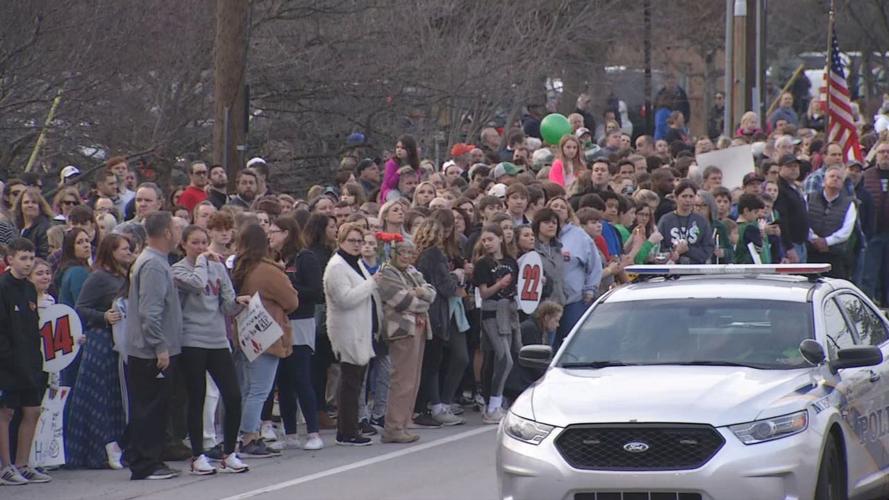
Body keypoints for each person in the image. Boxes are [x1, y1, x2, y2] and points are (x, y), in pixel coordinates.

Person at [172, 225, 250, 474]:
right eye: (195, 243)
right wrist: (203, 263)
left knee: (233, 395)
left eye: (204, 243)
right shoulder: (178, 270)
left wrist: (239, 303)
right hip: (192, 339)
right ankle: (198, 455)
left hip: (217, 339)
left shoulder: (218, 268)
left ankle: (229, 452)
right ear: (184, 244)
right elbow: (197, 285)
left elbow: (226, 304)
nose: (201, 248)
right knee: (197, 396)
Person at [124, 211, 183, 480]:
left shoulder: (156, 261)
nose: (180, 232)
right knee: (150, 408)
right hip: (149, 352)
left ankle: (147, 458)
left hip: (149, 348)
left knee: (152, 406)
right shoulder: (154, 265)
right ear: (167, 233)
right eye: (177, 228)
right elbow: (150, 312)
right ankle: (146, 463)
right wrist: (160, 346)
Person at [65, 234, 133, 469]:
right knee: (99, 397)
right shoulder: (99, 277)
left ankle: (116, 444)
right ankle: (98, 448)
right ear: (111, 251)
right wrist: (103, 317)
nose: (128, 252)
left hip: (120, 342)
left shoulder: (124, 275)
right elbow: (81, 308)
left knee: (116, 396)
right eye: (123, 249)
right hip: (101, 342)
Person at [231, 223, 298, 458]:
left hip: (245, 332)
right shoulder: (267, 270)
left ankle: (249, 434)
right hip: (265, 332)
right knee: (260, 389)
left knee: (248, 388)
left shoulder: (240, 267)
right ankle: (249, 437)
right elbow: (291, 301)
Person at [268, 216, 325, 451]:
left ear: (287, 233)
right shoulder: (274, 259)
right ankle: (289, 432)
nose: (270, 236)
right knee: (283, 381)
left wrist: (287, 287)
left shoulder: (305, 258)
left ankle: (313, 432)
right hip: (279, 324)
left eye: (274, 231)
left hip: (300, 323)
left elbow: (314, 291)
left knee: (301, 377)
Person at [324, 223, 382, 446]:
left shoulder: (356, 262)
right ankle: (347, 431)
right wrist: (371, 284)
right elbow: (344, 299)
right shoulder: (337, 266)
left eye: (360, 241)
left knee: (356, 381)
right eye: (352, 241)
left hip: (361, 326)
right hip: (346, 328)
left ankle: (350, 427)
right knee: (350, 382)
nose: (357, 245)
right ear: (341, 241)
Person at [0, 238, 51, 485]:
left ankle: (23, 463)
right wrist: (9, 359)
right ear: (10, 260)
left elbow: (32, 328)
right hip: (8, 363)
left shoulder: (30, 289)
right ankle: (5, 465)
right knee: (6, 412)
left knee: (33, 410)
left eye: (31, 258)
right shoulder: (2, 287)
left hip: (30, 361)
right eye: (23, 258)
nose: (28, 263)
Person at [377, 241, 436, 443]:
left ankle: (403, 422)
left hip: (418, 327)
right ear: (393, 253)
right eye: (402, 252)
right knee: (402, 380)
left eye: (411, 253)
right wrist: (420, 297)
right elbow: (401, 302)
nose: (407, 256)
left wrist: (420, 294)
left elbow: (431, 293)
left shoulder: (412, 271)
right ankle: (393, 427)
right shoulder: (387, 272)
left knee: (413, 379)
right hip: (401, 331)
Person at [413, 219, 466, 427]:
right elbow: (446, 285)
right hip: (435, 313)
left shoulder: (420, 254)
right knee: (431, 362)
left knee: (429, 361)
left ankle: (425, 407)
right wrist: (457, 276)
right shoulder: (435, 254)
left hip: (428, 310)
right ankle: (423, 408)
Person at [473, 223, 520, 424]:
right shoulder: (483, 264)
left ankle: (496, 402)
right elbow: (483, 293)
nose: (487, 243)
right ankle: (492, 404)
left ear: (501, 238)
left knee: (511, 353)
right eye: (484, 240)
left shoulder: (511, 261)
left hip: (508, 311)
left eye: (491, 239)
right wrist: (499, 284)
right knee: (504, 357)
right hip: (492, 312)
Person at [806, 165, 857, 279]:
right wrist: (814, 239)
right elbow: (804, 222)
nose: (835, 179)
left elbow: (846, 231)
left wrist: (827, 242)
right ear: (824, 180)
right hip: (811, 253)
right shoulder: (809, 198)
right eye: (832, 176)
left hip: (834, 255)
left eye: (839, 177)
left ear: (842, 183)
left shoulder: (849, 204)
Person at [657, 180, 714, 265]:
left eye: (691, 196)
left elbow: (708, 250)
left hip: (696, 271)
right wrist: (675, 251)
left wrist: (688, 250)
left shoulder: (702, 221)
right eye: (684, 196)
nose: (688, 200)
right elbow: (659, 248)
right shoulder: (665, 220)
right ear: (676, 197)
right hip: (671, 269)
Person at [13, 187, 53, 259]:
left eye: (34, 202)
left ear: (40, 206)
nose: (30, 205)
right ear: (20, 206)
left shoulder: (45, 227)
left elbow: (44, 255)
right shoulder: (16, 226)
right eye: (26, 202)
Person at [381, 135, 420, 203]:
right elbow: (389, 184)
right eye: (397, 147)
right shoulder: (391, 163)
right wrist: (398, 173)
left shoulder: (414, 164)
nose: (399, 150)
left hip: (409, 190)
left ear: (410, 150)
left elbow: (418, 180)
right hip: (391, 191)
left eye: (403, 148)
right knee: (396, 198)